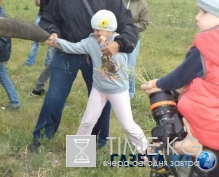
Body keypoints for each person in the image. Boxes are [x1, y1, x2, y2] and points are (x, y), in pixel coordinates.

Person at [30, 0, 138, 152]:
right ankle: (41, 139)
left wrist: (118, 44)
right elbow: (48, 19)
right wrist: (53, 32)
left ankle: (97, 142)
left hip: (98, 59)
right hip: (67, 54)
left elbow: (129, 27)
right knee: (54, 96)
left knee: (102, 99)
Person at [141, 0, 219, 176]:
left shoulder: (206, 46)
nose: (197, 17)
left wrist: (158, 83)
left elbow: (179, 77)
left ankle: (188, 147)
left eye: (203, 12)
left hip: (203, 124)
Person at [51, 10, 148, 154]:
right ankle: (78, 155)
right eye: (94, 29)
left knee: (127, 125)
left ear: (110, 29)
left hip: (118, 91)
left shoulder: (119, 44)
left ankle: (146, 152)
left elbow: (114, 69)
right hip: (99, 89)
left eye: (99, 29)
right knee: (87, 122)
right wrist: (57, 42)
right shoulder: (90, 41)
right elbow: (74, 47)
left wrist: (105, 47)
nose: (95, 32)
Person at [30, 0, 79, 96]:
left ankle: (39, 88)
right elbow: (61, 4)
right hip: (54, 25)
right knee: (60, 57)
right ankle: (49, 90)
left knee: (58, 57)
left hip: (62, 24)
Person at [122, 0, 149, 98]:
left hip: (132, 39)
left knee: (129, 66)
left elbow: (144, 24)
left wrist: (128, 26)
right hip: (117, 38)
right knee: (114, 63)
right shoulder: (119, 0)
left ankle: (130, 92)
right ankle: (116, 90)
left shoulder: (142, 5)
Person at [24, 0, 52, 67]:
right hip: (40, 15)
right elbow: (38, 4)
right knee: (35, 38)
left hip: (51, 17)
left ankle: (48, 63)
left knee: (51, 40)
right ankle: (30, 62)